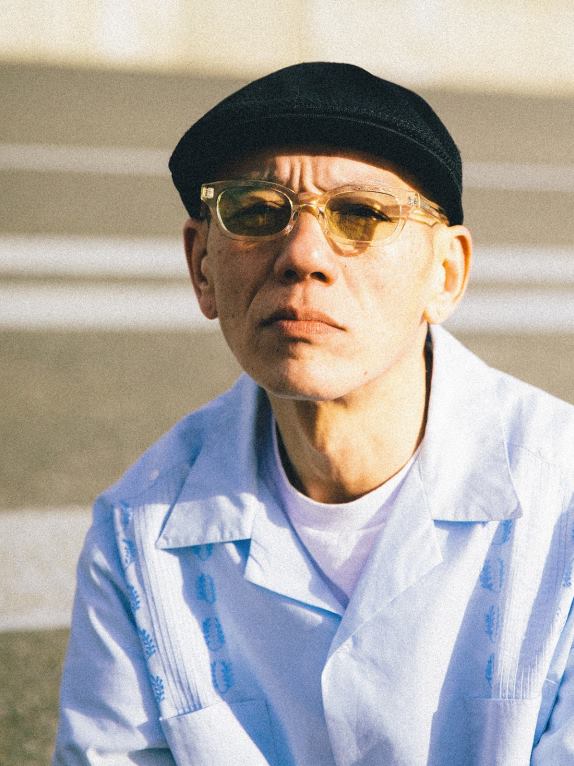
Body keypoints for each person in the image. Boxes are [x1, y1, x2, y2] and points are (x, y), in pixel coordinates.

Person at [53, 62, 574, 765]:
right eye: (254, 212)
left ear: (446, 274)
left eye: (361, 215)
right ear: (201, 266)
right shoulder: (138, 531)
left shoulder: (562, 501)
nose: (302, 255)